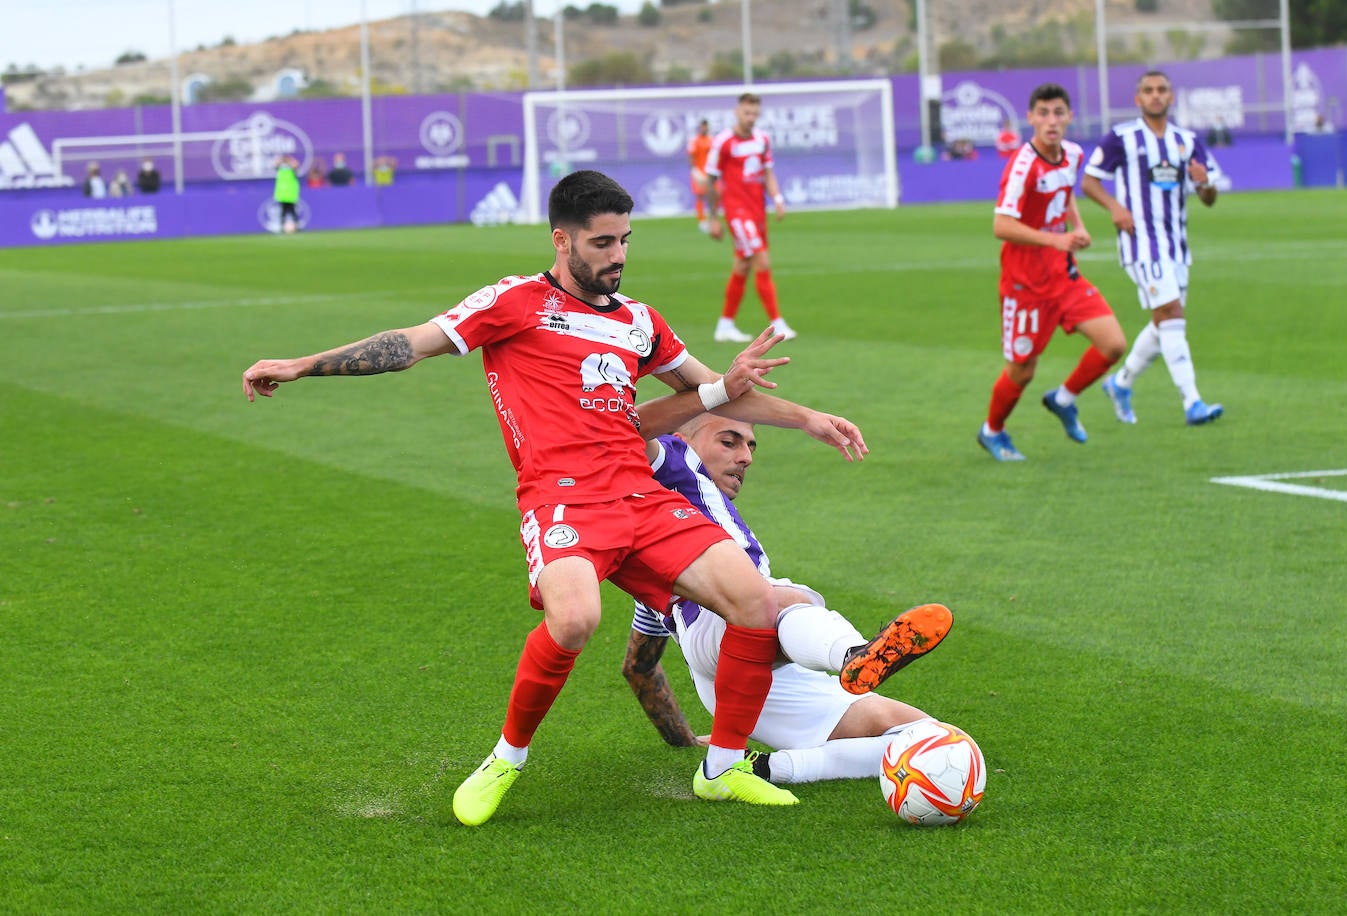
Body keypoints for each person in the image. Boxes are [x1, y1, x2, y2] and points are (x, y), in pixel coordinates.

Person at [241, 169, 874, 827]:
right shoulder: (514, 301)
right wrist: (299, 365)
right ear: (562, 239)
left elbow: (718, 388)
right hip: (563, 500)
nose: (619, 256)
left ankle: (723, 769)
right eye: (603, 243)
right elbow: (411, 346)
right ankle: (505, 761)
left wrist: (808, 418)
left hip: (641, 494)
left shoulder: (638, 322)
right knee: (574, 621)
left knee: (753, 600)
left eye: (625, 241)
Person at [623, 411, 950, 784]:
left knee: (934, 739)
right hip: (727, 630)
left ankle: (770, 768)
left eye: (750, 446)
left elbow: (639, 666)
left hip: (749, 681)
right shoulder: (673, 457)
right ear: (684, 439)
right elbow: (627, 422)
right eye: (728, 442)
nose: (745, 456)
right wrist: (701, 389)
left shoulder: (662, 543)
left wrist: (681, 738)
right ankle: (852, 654)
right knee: (779, 598)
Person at [978, 84, 1126, 462]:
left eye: (1058, 112)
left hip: (1065, 277)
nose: (1051, 121)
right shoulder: (1021, 165)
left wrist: (1075, 227)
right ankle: (992, 431)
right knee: (1022, 370)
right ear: (1030, 118)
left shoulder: (1073, 154)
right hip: (1024, 286)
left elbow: (1066, 192)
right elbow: (1001, 225)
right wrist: (1053, 239)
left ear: (1069, 117)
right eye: (1043, 113)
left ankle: (1063, 399)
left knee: (1113, 344)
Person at [1082, 70, 1224, 427]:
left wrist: (1204, 184)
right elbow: (1088, 179)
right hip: (1141, 243)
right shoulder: (1122, 137)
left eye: (1162, 90)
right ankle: (1193, 402)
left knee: (1164, 323)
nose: (1156, 96)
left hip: (1176, 245)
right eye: (1149, 90)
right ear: (1138, 99)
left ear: (1171, 97)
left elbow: (1208, 198)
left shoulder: (1187, 141)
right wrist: (1115, 207)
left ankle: (1120, 382)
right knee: (1173, 314)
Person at [705, 93, 796, 343]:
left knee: (743, 266)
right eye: (746, 113)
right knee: (762, 261)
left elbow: (768, 173)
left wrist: (777, 199)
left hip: (757, 211)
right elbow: (711, 180)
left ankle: (724, 325)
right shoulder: (723, 141)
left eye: (754, 114)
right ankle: (777, 323)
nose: (750, 118)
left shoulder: (762, 139)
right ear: (737, 112)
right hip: (737, 212)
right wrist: (713, 218)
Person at [687, 118, 713, 233]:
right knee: (700, 196)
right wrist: (695, 171)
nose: (704, 128)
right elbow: (691, 157)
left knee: (713, 196)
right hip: (699, 173)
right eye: (702, 126)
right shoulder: (695, 141)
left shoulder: (712, 140)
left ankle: (713, 218)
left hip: (711, 173)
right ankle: (702, 221)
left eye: (706, 126)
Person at [273, 155, 301, 234]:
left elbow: (296, 165)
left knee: (292, 212)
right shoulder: (280, 170)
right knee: (283, 212)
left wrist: (289, 160)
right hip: (283, 195)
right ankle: (282, 227)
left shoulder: (292, 170)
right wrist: (282, 159)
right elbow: (275, 164)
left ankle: (296, 226)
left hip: (290, 195)